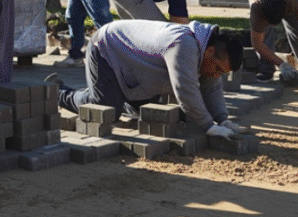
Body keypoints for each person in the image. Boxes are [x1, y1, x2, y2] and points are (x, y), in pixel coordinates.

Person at [49, 19, 249, 139]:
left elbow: (211, 88)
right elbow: (185, 91)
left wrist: (223, 119)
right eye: (218, 69)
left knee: (143, 112)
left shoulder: (207, 51)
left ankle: (106, 88)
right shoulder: (184, 45)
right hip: (107, 48)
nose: (216, 75)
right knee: (107, 107)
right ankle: (57, 91)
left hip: (135, 68)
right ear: (211, 51)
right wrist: (209, 126)